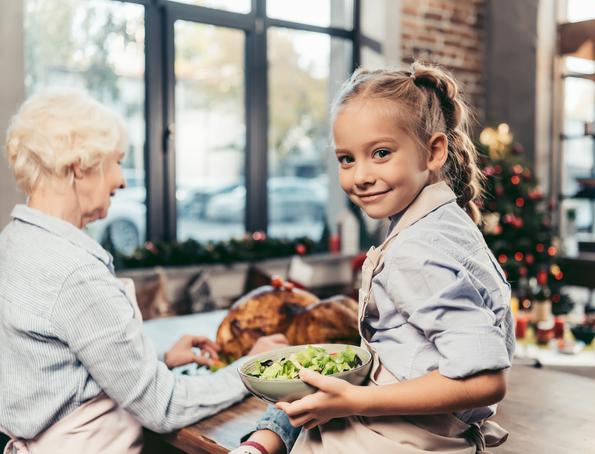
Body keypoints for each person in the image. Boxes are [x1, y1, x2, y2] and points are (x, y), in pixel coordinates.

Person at [235, 62, 515, 454]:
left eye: (380, 153)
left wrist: (355, 401)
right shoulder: (443, 224)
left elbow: (485, 380)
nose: (359, 176)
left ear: (434, 151)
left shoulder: (418, 250)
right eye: (346, 159)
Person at [0, 88, 288, 454]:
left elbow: (54, 374)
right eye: (116, 162)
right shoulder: (74, 273)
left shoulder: (14, 241)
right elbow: (162, 407)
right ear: (79, 166)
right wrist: (251, 368)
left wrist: (156, 358)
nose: (121, 180)